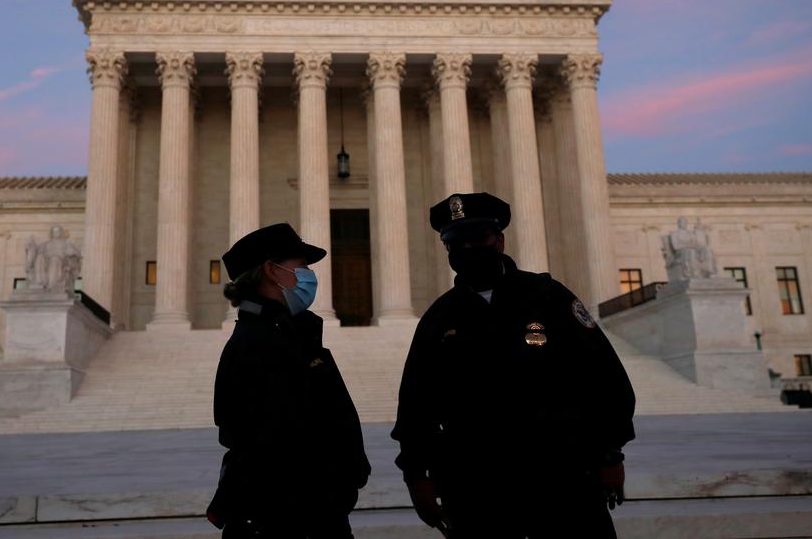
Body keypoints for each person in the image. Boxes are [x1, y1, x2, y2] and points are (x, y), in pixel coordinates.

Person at [391, 192, 636, 538]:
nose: (469, 249)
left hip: (563, 476)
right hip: (478, 488)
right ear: (447, 250)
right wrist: (417, 475)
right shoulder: (439, 318)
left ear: (500, 239)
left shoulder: (549, 297)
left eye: (478, 238)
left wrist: (611, 453)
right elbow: (417, 405)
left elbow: (603, 376)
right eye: (456, 242)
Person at [207, 223, 371, 538]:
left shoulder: (285, 334)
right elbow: (276, 441)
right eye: (302, 266)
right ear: (272, 270)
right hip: (292, 519)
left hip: (309, 513)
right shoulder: (259, 343)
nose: (309, 274)